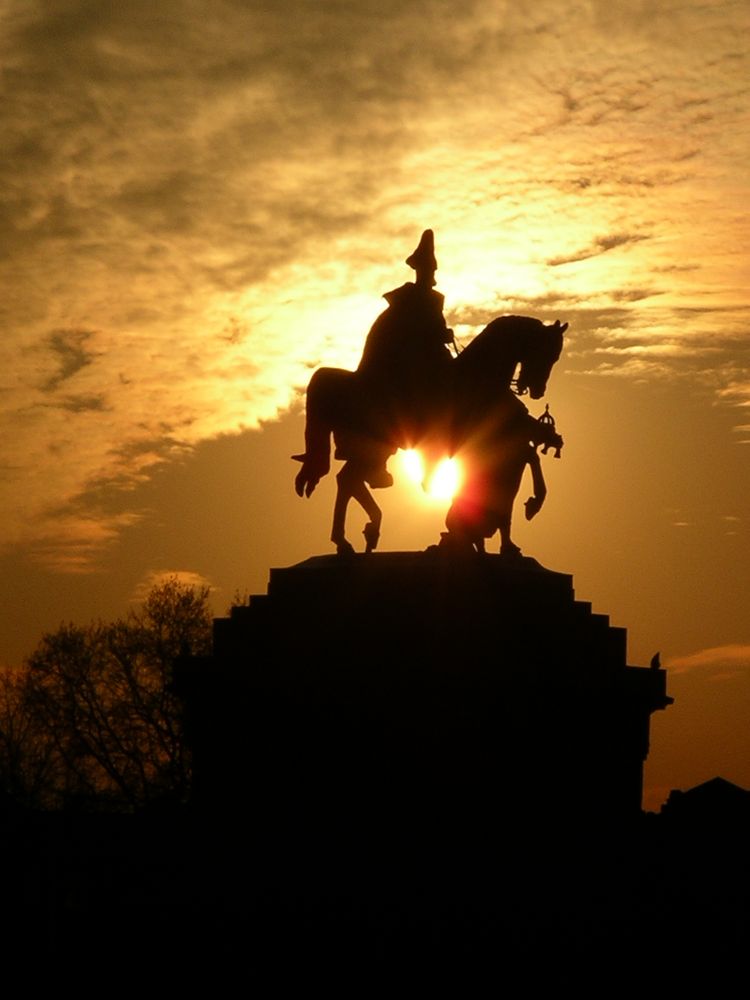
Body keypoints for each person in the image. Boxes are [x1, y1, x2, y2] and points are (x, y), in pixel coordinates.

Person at [356, 230, 455, 485]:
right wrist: (436, 335)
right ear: (419, 270)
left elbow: (436, 327)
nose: (430, 275)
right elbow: (406, 331)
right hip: (410, 359)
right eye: (427, 270)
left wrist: (443, 334)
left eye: (432, 271)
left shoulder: (434, 299)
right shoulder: (405, 299)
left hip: (432, 356)